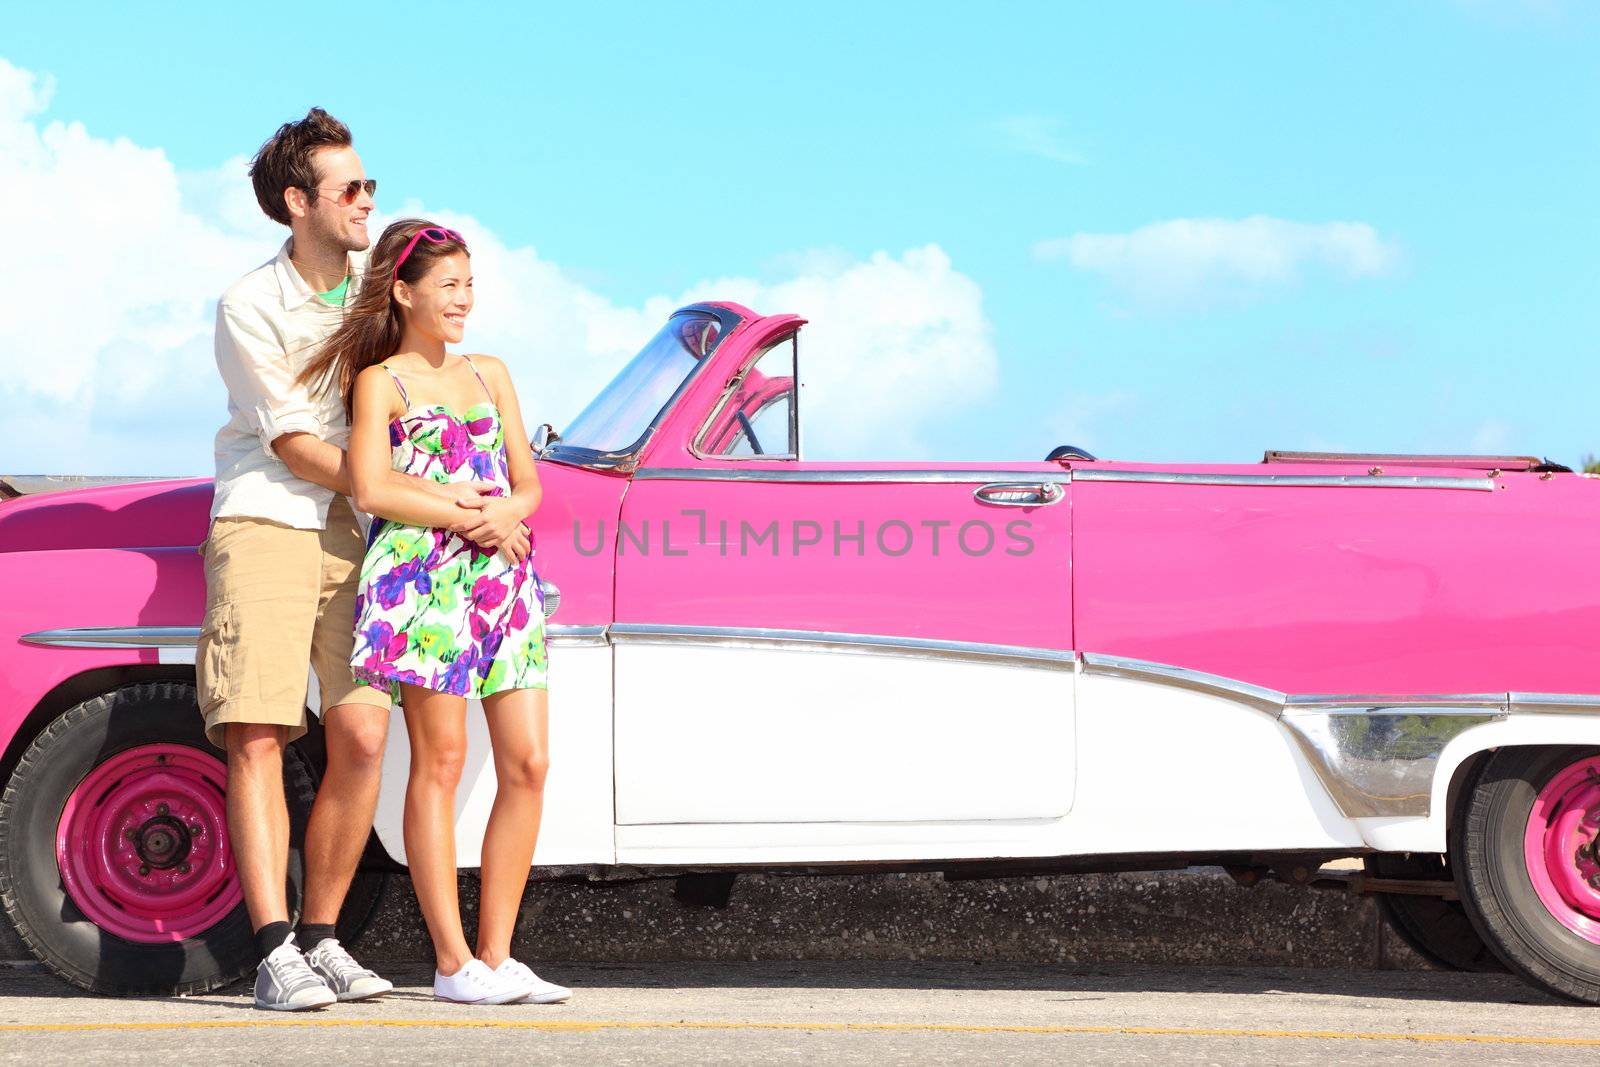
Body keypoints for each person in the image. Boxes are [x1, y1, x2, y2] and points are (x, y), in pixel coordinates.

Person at [198, 109, 502, 1011]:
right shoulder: (249, 305)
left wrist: (478, 483)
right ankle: (272, 950)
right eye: (352, 189)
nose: (369, 200)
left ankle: (323, 937)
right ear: (298, 203)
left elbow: (440, 364)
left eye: (370, 184)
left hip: (367, 537)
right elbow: (295, 447)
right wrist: (412, 493)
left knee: (365, 733)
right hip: (270, 520)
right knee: (258, 730)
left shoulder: (382, 283)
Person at [297, 217, 569, 1005]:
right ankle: (451, 963)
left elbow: (529, 481)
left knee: (530, 763)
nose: (464, 299)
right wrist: (463, 515)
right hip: (421, 585)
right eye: (449, 285)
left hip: (504, 581)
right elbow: (373, 489)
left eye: (471, 283)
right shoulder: (382, 381)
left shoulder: (491, 372)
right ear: (405, 291)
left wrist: (506, 516)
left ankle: (497, 953)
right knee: (440, 762)